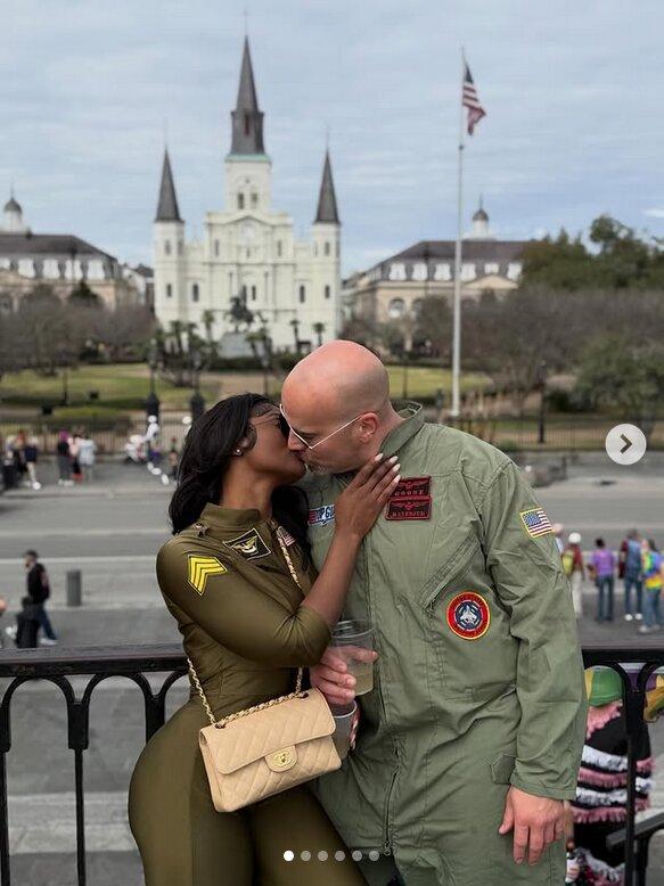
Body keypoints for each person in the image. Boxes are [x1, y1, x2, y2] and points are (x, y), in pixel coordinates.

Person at [280, 341, 586, 885]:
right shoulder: (303, 491)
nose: (291, 445)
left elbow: (548, 630)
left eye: (306, 435)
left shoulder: (477, 473)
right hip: (354, 783)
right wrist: (312, 655)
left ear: (365, 426)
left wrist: (543, 780)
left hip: (475, 781)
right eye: (288, 427)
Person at [128, 394, 401, 885]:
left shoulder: (286, 536)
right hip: (198, 770)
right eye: (282, 425)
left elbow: (308, 638)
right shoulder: (188, 554)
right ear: (238, 441)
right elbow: (294, 641)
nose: (297, 441)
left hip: (278, 760)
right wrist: (348, 533)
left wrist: (322, 660)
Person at [5, 550, 57, 646]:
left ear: (31, 558)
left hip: (37, 599)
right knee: (41, 616)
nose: (25, 560)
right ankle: (50, 636)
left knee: (30, 615)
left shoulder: (34, 571)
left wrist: (29, 572)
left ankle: (51, 637)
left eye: (26, 558)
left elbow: (33, 587)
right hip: (41, 597)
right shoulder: (40, 567)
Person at [639, 539, 663, 635]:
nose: (641, 547)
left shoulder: (654, 556)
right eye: (641, 545)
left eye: (643, 545)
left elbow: (662, 570)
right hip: (650, 584)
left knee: (647, 605)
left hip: (656, 585)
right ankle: (660, 623)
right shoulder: (646, 556)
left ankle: (647, 625)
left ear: (649, 546)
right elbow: (646, 569)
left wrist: (663, 587)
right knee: (655, 605)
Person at [589, 538, 615, 622]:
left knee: (601, 596)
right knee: (610, 595)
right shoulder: (609, 552)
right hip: (610, 574)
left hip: (601, 575)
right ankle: (610, 615)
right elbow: (613, 562)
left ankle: (600, 616)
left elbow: (593, 565)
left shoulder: (596, 554)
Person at [621, 530, 643, 622]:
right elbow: (642, 559)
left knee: (627, 593)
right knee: (639, 593)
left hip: (628, 571)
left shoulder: (626, 545)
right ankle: (639, 612)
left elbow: (622, 558)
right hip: (637, 571)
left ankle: (628, 613)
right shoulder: (640, 546)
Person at [562, 532, 585, 618]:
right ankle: (576, 611)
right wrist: (583, 574)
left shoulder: (566, 550)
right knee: (576, 591)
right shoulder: (577, 551)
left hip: (567, 572)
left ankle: (566, 610)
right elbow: (579, 563)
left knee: (568, 591)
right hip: (576, 573)